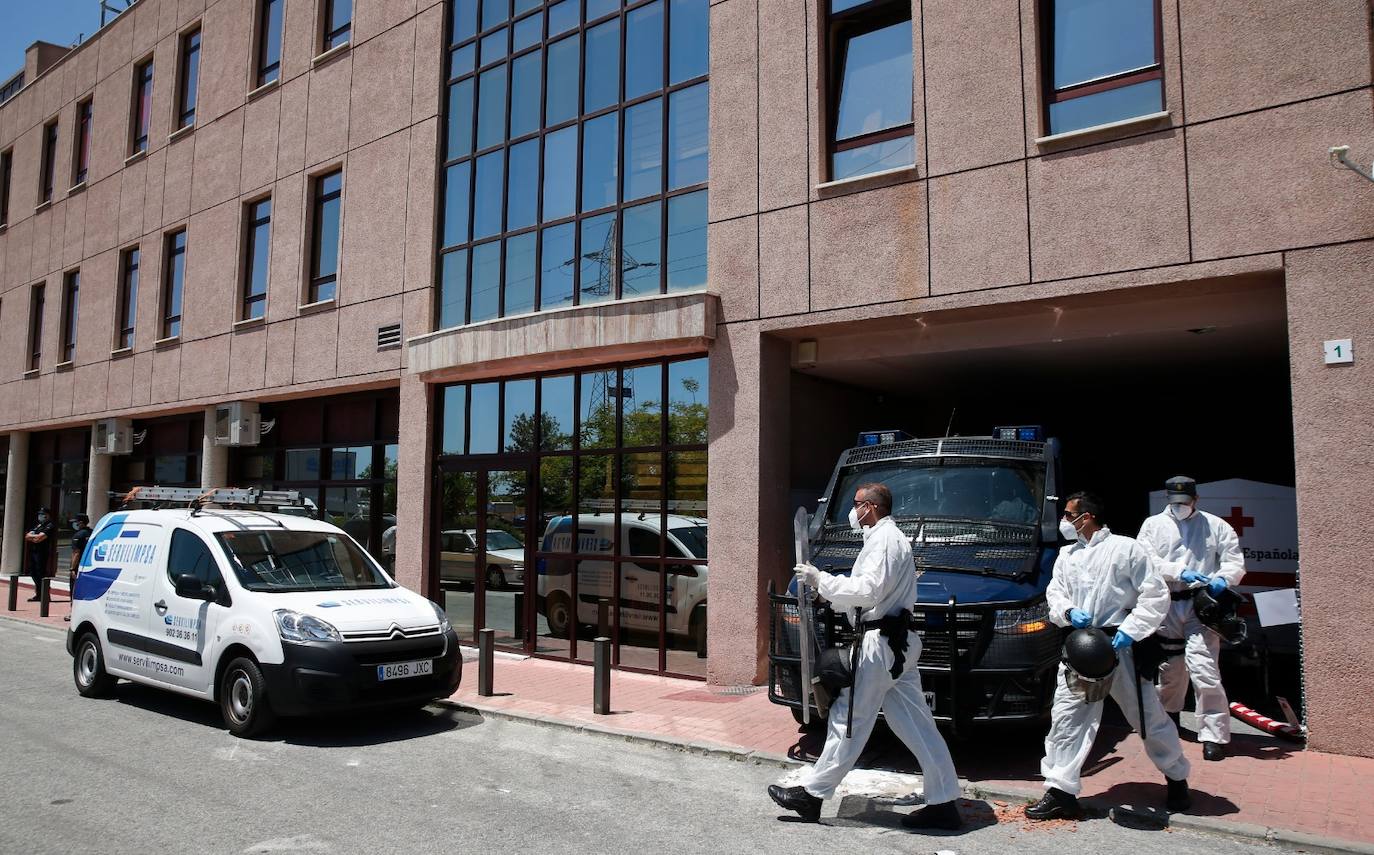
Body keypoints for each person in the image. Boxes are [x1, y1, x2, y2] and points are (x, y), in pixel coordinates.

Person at [769, 483, 963, 829]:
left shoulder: (885, 541)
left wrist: (822, 579)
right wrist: (826, 595)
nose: (852, 511)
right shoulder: (882, 540)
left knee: (848, 719)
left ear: (870, 507)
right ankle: (945, 800)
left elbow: (868, 590)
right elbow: (868, 597)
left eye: (856, 504)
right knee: (916, 725)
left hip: (881, 644)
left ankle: (811, 795)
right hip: (894, 643)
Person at [1027, 491, 1192, 820]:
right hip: (1080, 649)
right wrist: (1069, 611)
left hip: (1121, 646)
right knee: (1066, 719)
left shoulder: (1126, 549)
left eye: (1068, 515)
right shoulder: (1067, 555)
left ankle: (1176, 777)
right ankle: (1060, 790)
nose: (1064, 522)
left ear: (1085, 517)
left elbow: (1154, 594)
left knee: (1145, 716)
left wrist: (1131, 630)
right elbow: (1055, 593)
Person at [1136, 476, 1246, 761]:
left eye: (1185, 502)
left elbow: (1234, 561)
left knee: (1205, 669)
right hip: (1167, 604)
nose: (1179, 507)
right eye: (1175, 503)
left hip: (1201, 606)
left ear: (1196, 500)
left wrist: (1223, 579)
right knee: (1170, 669)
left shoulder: (1215, 526)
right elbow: (1145, 561)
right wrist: (1177, 571)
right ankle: (1169, 718)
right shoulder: (1153, 526)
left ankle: (1213, 735)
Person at [22, 507, 56, 602]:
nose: (40, 516)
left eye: (42, 514)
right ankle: (38, 594)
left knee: (41, 574)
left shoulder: (50, 525)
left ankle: (45, 595)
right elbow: (27, 536)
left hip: (42, 553)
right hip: (34, 552)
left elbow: (40, 538)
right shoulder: (39, 525)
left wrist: (34, 537)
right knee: (33, 573)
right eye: (39, 514)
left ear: (47, 515)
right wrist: (35, 537)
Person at [65, 514, 92, 622]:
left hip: (79, 568)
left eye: (75, 522)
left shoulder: (78, 535)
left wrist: (72, 568)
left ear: (80, 522)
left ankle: (74, 614)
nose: (74, 524)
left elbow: (76, 553)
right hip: (90, 566)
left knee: (75, 591)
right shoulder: (93, 532)